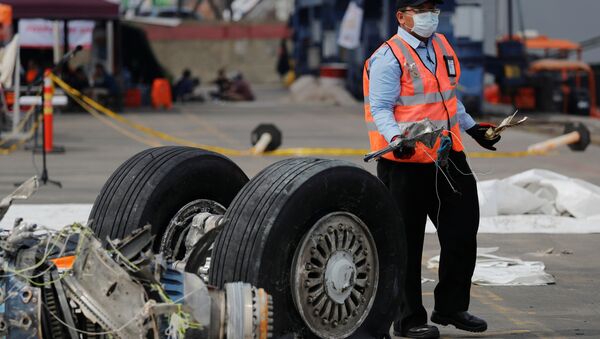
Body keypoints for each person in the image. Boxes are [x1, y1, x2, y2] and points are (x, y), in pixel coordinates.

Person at [363, 1, 501, 338]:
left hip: (447, 156)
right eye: (422, 9)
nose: (431, 16)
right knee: (405, 244)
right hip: (404, 165)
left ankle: (451, 307)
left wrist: (472, 128)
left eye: (434, 8)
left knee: (462, 232)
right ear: (402, 16)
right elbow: (380, 107)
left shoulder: (441, 45)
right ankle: (408, 320)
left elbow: (448, 98)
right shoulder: (388, 57)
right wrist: (397, 138)